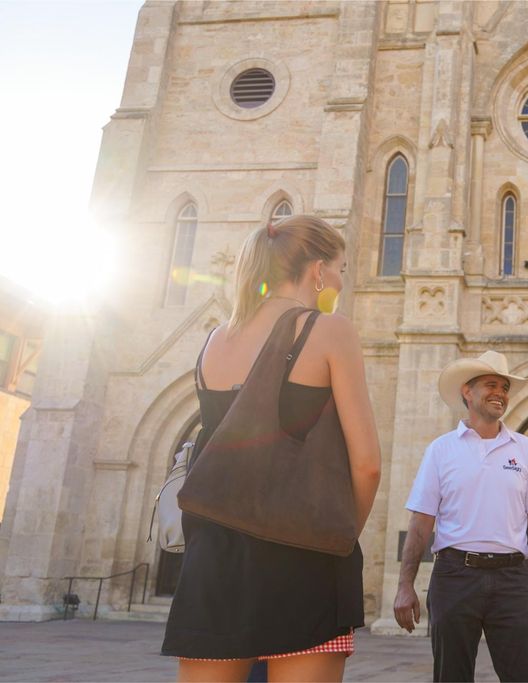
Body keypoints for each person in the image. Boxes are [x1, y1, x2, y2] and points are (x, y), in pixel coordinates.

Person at [161, 215, 382, 682]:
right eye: (341, 267)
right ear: (318, 270)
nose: (342, 279)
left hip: (213, 559)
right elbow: (367, 466)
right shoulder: (330, 331)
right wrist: (339, 538)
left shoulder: (214, 341)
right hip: (303, 557)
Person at [393, 350, 528, 682]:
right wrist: (405, 585)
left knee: (525, 676)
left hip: (512, 579)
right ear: (466, 392)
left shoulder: (524, 449)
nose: (500, 393)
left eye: (504, 387)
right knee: (451, 676)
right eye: (491, 384)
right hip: (454, 576)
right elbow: (421, 522)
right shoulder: (441, 450)